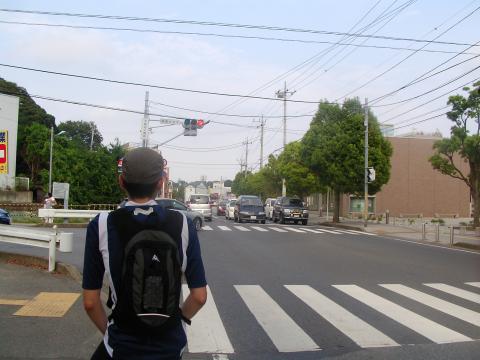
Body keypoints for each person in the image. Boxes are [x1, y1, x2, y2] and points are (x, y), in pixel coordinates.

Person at [82, 148, 207, 359]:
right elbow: (199, 297)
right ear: (161, 182)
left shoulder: (102, 224)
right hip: (169, 345)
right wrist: (178, 321)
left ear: (121, 182)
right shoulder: (183, 224)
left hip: (121, 345)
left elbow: (90, 302)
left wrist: (110, 334)